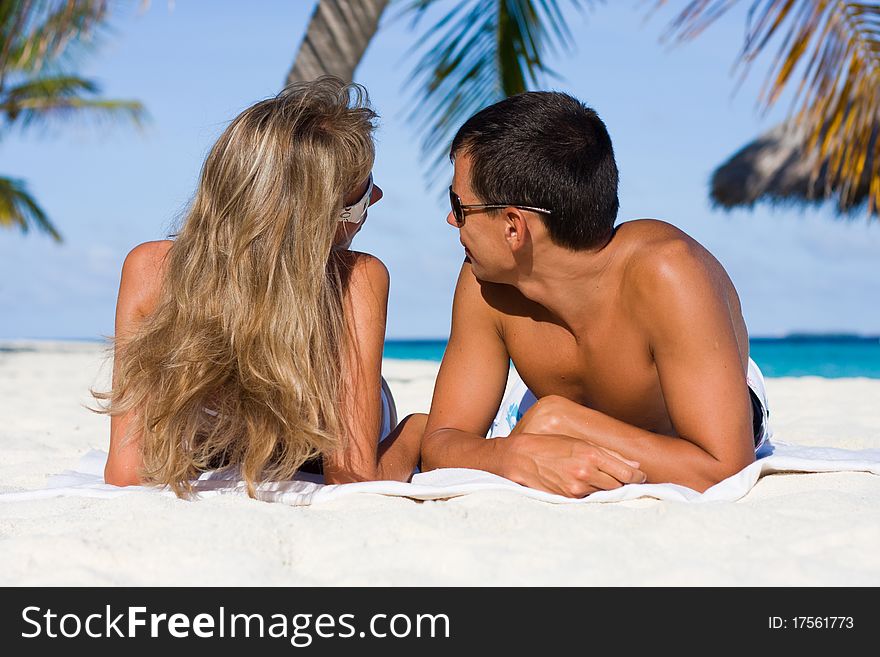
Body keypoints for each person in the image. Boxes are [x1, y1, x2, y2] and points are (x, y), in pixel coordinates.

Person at [421, 91, 771, 497]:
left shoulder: (669, 275)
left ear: (513, 227)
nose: (451, 219)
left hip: (701, 396)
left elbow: (725, 469)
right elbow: (440, 445)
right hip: (542, 406)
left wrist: (561, 418)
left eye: (460, 205)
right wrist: (508, 456)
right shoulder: (485, 284)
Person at [97, 77, 425, 497]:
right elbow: (351, 475)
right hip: (316, 448)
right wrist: (415, 430)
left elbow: (126, 473)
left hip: (207, 448)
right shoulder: (356, 277)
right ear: (318, 217)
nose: (377, 195)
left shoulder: (149, 268)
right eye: (361, 193)